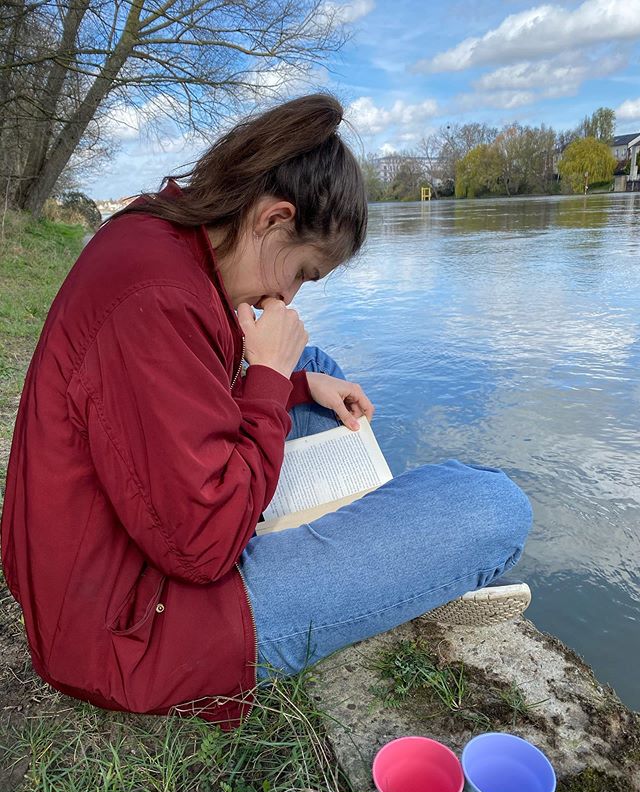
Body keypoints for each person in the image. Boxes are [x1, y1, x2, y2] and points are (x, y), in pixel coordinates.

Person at [0, 94, 532, 729]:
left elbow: (186, 398)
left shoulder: (160, 238)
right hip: (134, 627)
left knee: (322, 372)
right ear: (273, 218)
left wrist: (295, 382)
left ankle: (382, 551)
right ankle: (401, 566)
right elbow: (203, 550)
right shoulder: (157, 298)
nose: (287, 294)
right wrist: (271, 375)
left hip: (114, 565)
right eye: (301, 272)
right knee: (494, 505)